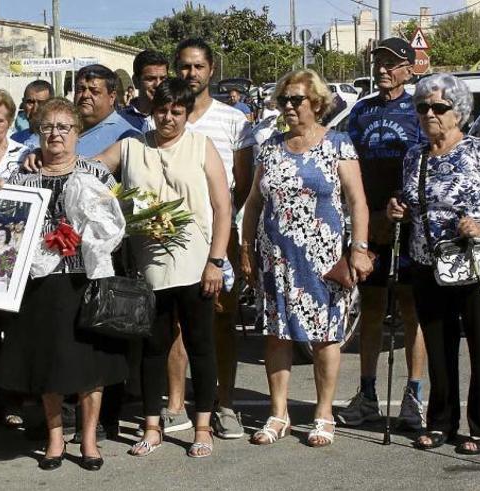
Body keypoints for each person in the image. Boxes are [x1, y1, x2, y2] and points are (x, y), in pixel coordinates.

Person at [91, 78, 232, 458]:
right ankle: (152, 426)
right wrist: (38, 157)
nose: (168, 117)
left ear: (187, 113)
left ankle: (202, 426)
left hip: (197, 264)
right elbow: (87, 172)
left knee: (201, 346)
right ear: (151, 110)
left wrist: (216, 261)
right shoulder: (131, 146)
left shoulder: (201, 146)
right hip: (149, 268)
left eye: (177, 111)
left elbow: (223, 208)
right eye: (162, 110)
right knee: (152, 349)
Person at [0, 97, 128, 471]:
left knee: (90, 366)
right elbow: (5, 227)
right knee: (47, 364)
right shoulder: (23, 177)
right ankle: (54, 438)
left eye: (64, 127)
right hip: (41, 284)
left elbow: (116, 223)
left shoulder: (98, 174)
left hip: (86, 280)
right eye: (47, 127)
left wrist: (85, 236)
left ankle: (87, 440)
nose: (55, 134)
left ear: (77, 133)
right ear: (37, 133)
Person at [240, 69, 372, 448]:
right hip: (276, 258)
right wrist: (246, 248)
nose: (289, 107)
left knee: (325, 336)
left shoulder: (338, 144)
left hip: (323, 258)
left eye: (296, 100)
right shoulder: (269, 147)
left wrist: (359, 249)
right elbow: (253, 203)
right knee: (277, 333)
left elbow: (357, 201)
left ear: (316, 102)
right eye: (283, 100)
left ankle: (323, 413)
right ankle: (278, 413)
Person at [389, 73, 480, 455]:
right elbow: (408, 201)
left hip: (474, 263)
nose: (429, 114)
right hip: (427, 262)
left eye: (439, 108)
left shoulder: (479, 152)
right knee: (438, 344)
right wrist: (397, 208)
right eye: (422, 108)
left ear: (459, 113)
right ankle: (440, 422)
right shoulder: (414, 155)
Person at [338, 37, 428, 431]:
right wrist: (364, 217)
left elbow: (429, 162)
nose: (383, 70)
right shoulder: (361, 111)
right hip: (371, 224)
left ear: (409, 68)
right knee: (372, 309)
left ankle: (414, 395)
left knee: (412, 310)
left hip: (409, 224)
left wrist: (408, 208)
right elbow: (347, 163)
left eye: (391, 64)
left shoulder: (418, 109)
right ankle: (368, 394)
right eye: (379, 63)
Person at [174, 37, 255, 439]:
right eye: (184, 67)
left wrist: (222, 228)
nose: (191, 74)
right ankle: (175, 405)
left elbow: (244, 182)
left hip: (218, 237)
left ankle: (226, 405)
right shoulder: (167, 116)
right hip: (170, 239)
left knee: (221, 322)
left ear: (211, 71)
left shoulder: (234, 120)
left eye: (198, 67)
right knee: (174, 324)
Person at [119, 49, 169, 133]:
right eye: (150, 79)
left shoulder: (176, 117)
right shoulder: (120, 121)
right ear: (136, 81)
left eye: (163, 78)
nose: (158, 84)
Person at [10, 79, 53, 144]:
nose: (35, 109)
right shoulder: (14, 141)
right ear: (23, 103)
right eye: (30, 102)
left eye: (41, 103)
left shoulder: (58, 140)